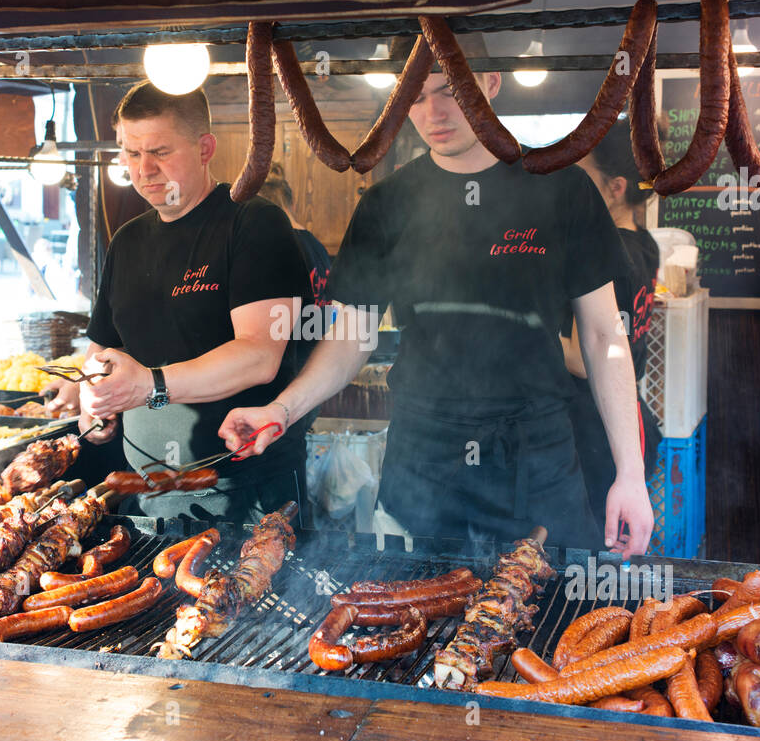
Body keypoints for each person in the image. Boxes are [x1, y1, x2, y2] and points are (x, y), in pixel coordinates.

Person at [218, 33, 655, 556]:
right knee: (416, 617)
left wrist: (630, 474)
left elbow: (606, 336)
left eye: (449, 90)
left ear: (491, 85)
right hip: (423, 457)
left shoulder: (561, 189)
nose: (433, 112)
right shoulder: (386, 204)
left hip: (537, 455)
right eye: (416, 98)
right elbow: (350, 339)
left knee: (542, 621)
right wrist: (282, 409)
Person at [77, 81, 313, 528]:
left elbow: (260, 354)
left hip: (245, 493)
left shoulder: (253, 222)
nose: (142, 169)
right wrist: (93, 397)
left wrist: (151, 385)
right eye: (130, 153)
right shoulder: (127, 240)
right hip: (147, 491)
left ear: (205, 148)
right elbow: (102, 351)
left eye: (159, 152)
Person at [565, 119, 662, 528]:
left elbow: (584, 361)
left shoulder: (603, 255)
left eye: (583, 175)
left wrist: (523, 327)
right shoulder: (646, 244)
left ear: (615, 187)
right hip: (632, 420)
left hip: (595, 430)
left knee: (592, 559)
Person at [258, 164, 331, 309]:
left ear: (261, 209)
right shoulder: (317, 246)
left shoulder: (276, 248)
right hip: (317, 331)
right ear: (293, 203)